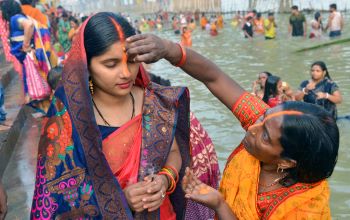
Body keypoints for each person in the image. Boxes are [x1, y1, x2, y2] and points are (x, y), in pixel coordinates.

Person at [126, 33, 339, 219]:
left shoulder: (304, 207)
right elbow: (214, 77)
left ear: (286, 162)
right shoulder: (264, 122)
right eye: (263, 116)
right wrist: (168, 49)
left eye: (265, 136)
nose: (253, 127)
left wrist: (219, 204)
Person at [30, 12, 219, 219]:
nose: (126, 73)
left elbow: (174, 153)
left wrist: (164, 180)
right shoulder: (68, 117)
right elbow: (57, 193)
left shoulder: (155, 102)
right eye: (110, 64)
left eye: (131, 61)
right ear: (87, 65)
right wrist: (120, 199)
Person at [1, 0, 57, 113]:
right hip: (26, 57)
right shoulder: (17, 17)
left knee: (37, 81)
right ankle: (46, 110)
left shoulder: (15, 18)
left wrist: (26, 44)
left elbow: (29, 24)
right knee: (36, 81)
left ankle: (48, 110)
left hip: (28, 56)